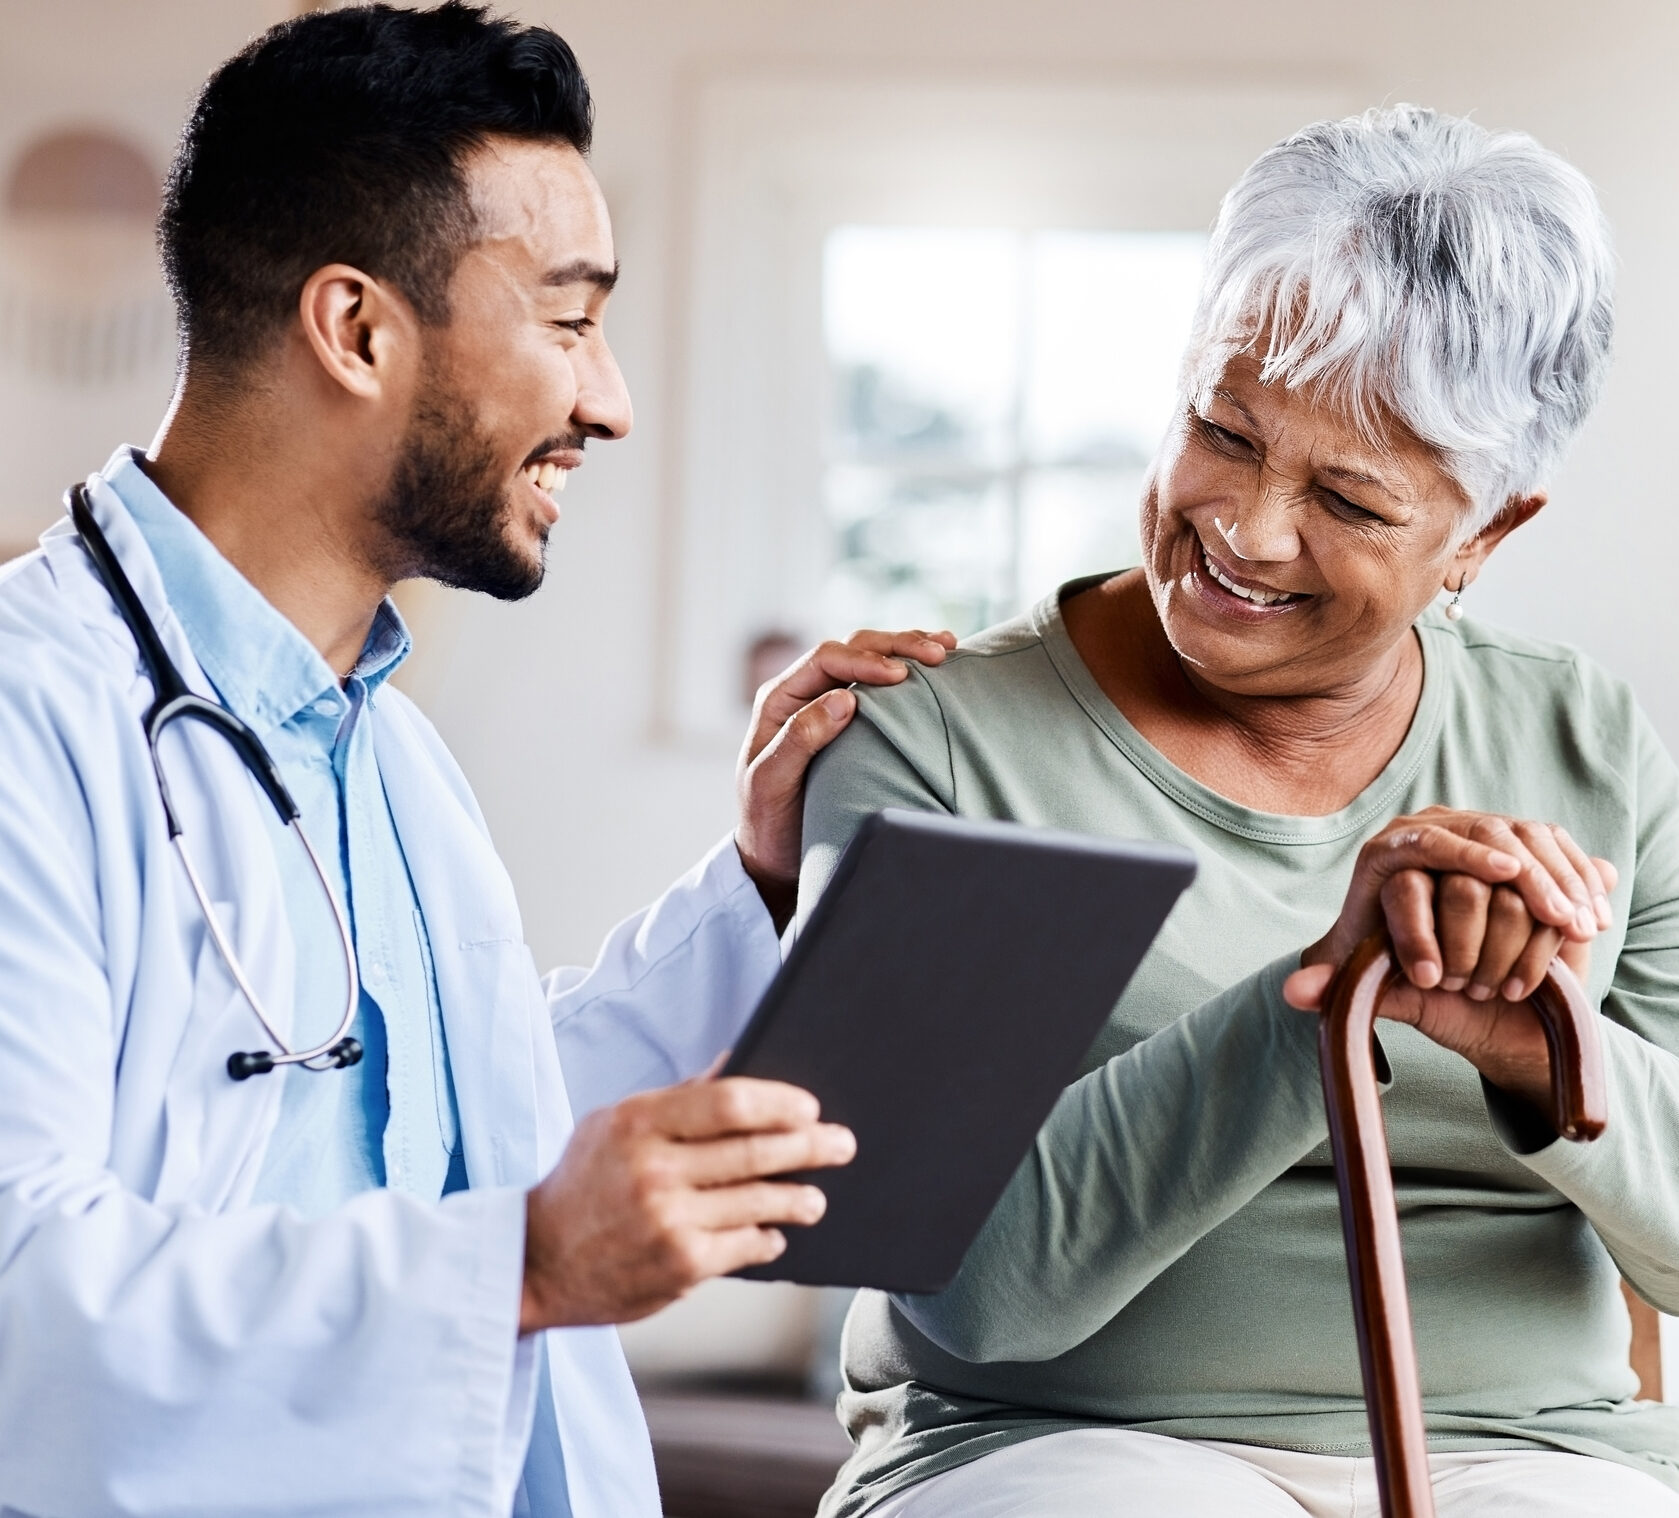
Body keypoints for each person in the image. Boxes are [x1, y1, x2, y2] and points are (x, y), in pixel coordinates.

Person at [0, 7, 955, 1517]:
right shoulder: (27, 721)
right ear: (358, 328)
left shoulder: (384, 743)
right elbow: (20, 1296)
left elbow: (478, 1124)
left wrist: (762, 882)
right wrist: (519, 1262)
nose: (610, 400)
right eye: (569, 320)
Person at [801, 105, 1679, 1517]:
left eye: (1348, 497)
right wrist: (1323, 991)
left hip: (1531, 1456)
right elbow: (967, 1291)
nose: (1248, 529)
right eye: (1223, 426)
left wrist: (1543, 1056)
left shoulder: (1581, 739)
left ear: (1489, 531)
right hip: (1051, 1447)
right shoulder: (942, 741)